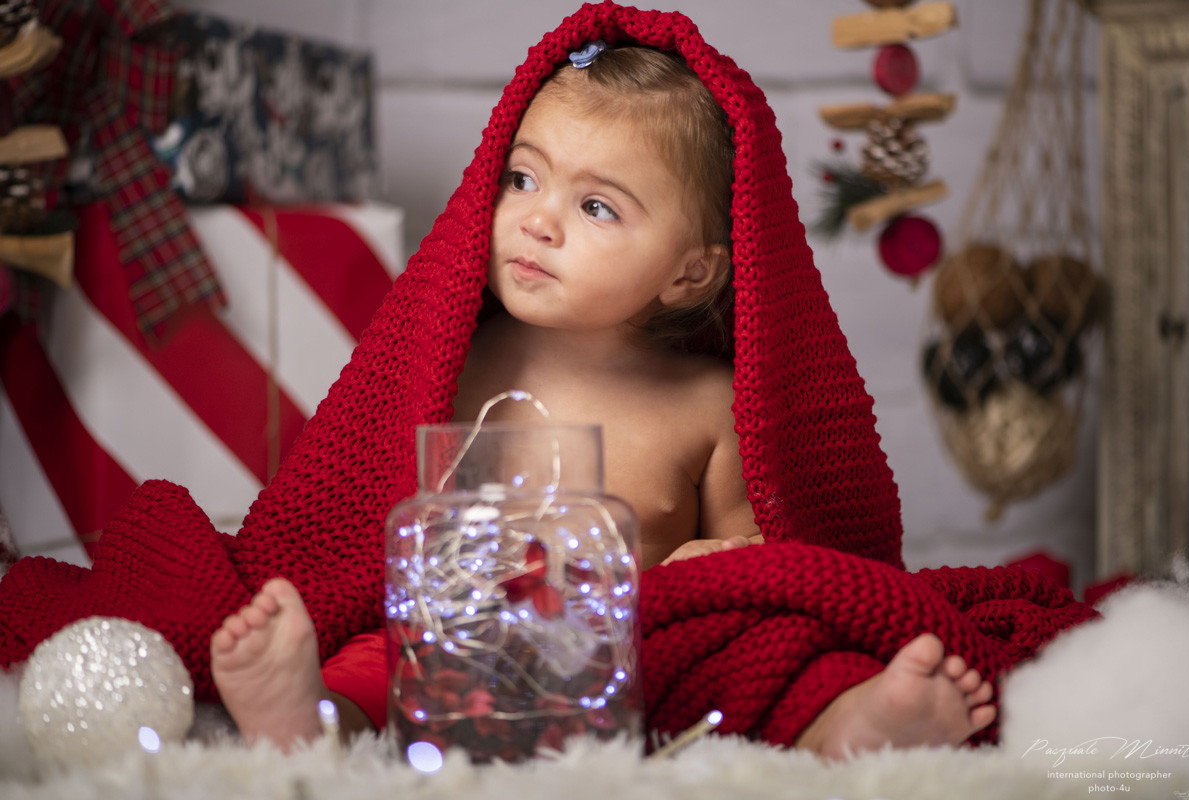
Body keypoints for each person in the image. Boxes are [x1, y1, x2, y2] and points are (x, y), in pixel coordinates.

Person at [210, 43, 996, 760]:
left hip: (629, 660)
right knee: (378, 654)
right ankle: (312, 718)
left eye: (597, 207)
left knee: (758, 656)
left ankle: (846, 726)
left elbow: (768, 571)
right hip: (460, 647)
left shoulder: (708, 405)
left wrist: (711, 569)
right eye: (522, 177)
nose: (537, 221)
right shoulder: (447, 359)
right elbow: (352, 509)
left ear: (689, 272)